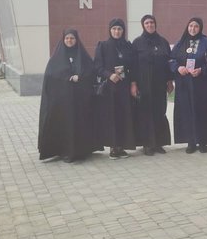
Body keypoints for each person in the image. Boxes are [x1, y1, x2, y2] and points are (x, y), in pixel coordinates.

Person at [38, 28, 98, 162]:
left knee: (79, 124)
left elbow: (91, 71)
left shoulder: (83, 56)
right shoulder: (56, 58)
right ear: (63, 40)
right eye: (67, 38)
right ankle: (64, 151)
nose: (69, 40)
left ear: (76, 40)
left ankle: (81, 150)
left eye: (72, 38)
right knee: (65, 124)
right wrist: (67, 77)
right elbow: (51, 75)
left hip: (80, 99)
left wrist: (80, 76)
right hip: (63, 100)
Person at [170, 17, 207, 153]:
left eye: (196, 26)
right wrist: (178, 68)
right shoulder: (180, 43)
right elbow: (171, 60)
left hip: (202, 84)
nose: (193, 29)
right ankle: (191, 142)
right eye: (190, 26)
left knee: (202, 111)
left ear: (200, 28)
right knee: (187, 112)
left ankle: (203, 141)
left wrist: (202, 70)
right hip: (184, 84)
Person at [94, 19, 138, 159]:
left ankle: (121, 146)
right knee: (112, 116)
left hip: (124, 87)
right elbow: (97, 67)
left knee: (124, 116)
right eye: (114, 29)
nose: (117, 32)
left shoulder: (128, 46)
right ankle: (113, 147)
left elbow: (133, 66)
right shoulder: (103, 46)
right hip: (110, 87)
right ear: (110, 30)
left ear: (123, 31)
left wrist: (133, 83)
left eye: (119, 29)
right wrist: (109, 75)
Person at [132, 14, 173, 155]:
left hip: (160, 83)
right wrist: (134, 84)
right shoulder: (137, 43)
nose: (150, 25)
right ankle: (147, 144)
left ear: (155, 24)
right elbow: (133, 65)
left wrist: (170, 81)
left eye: (152, 22)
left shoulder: (163, 42)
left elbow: (168, 63)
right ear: (143, 25)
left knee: (159, 112)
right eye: (147, 23)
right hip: (143, 83)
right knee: (145, 113)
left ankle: (159, 143)